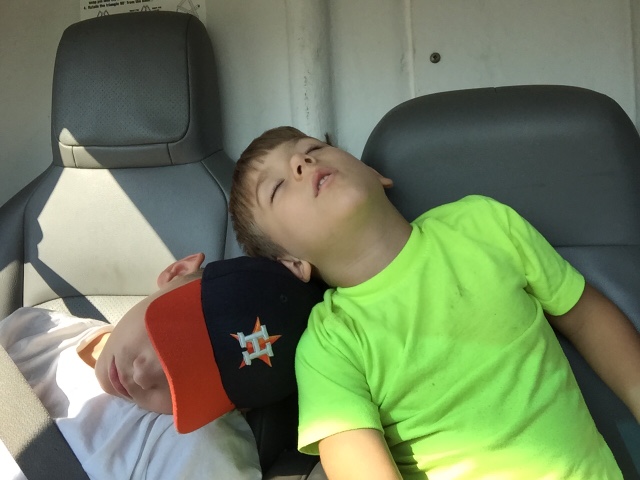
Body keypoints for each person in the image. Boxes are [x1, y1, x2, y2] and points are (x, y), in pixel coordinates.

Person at [228, 126, 640, 479]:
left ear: (375, 175)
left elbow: (587, 318)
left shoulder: (484, 223)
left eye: (313, 148)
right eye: (277, 187)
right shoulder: (329, 344)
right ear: (292, 263)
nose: (302, 163)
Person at [0, 253, 325, 480]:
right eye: (164, 336)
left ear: (233, 409)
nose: (143, 375)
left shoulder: (198, 451)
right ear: (176, 271)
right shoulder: (35, 330)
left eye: (184, 382)